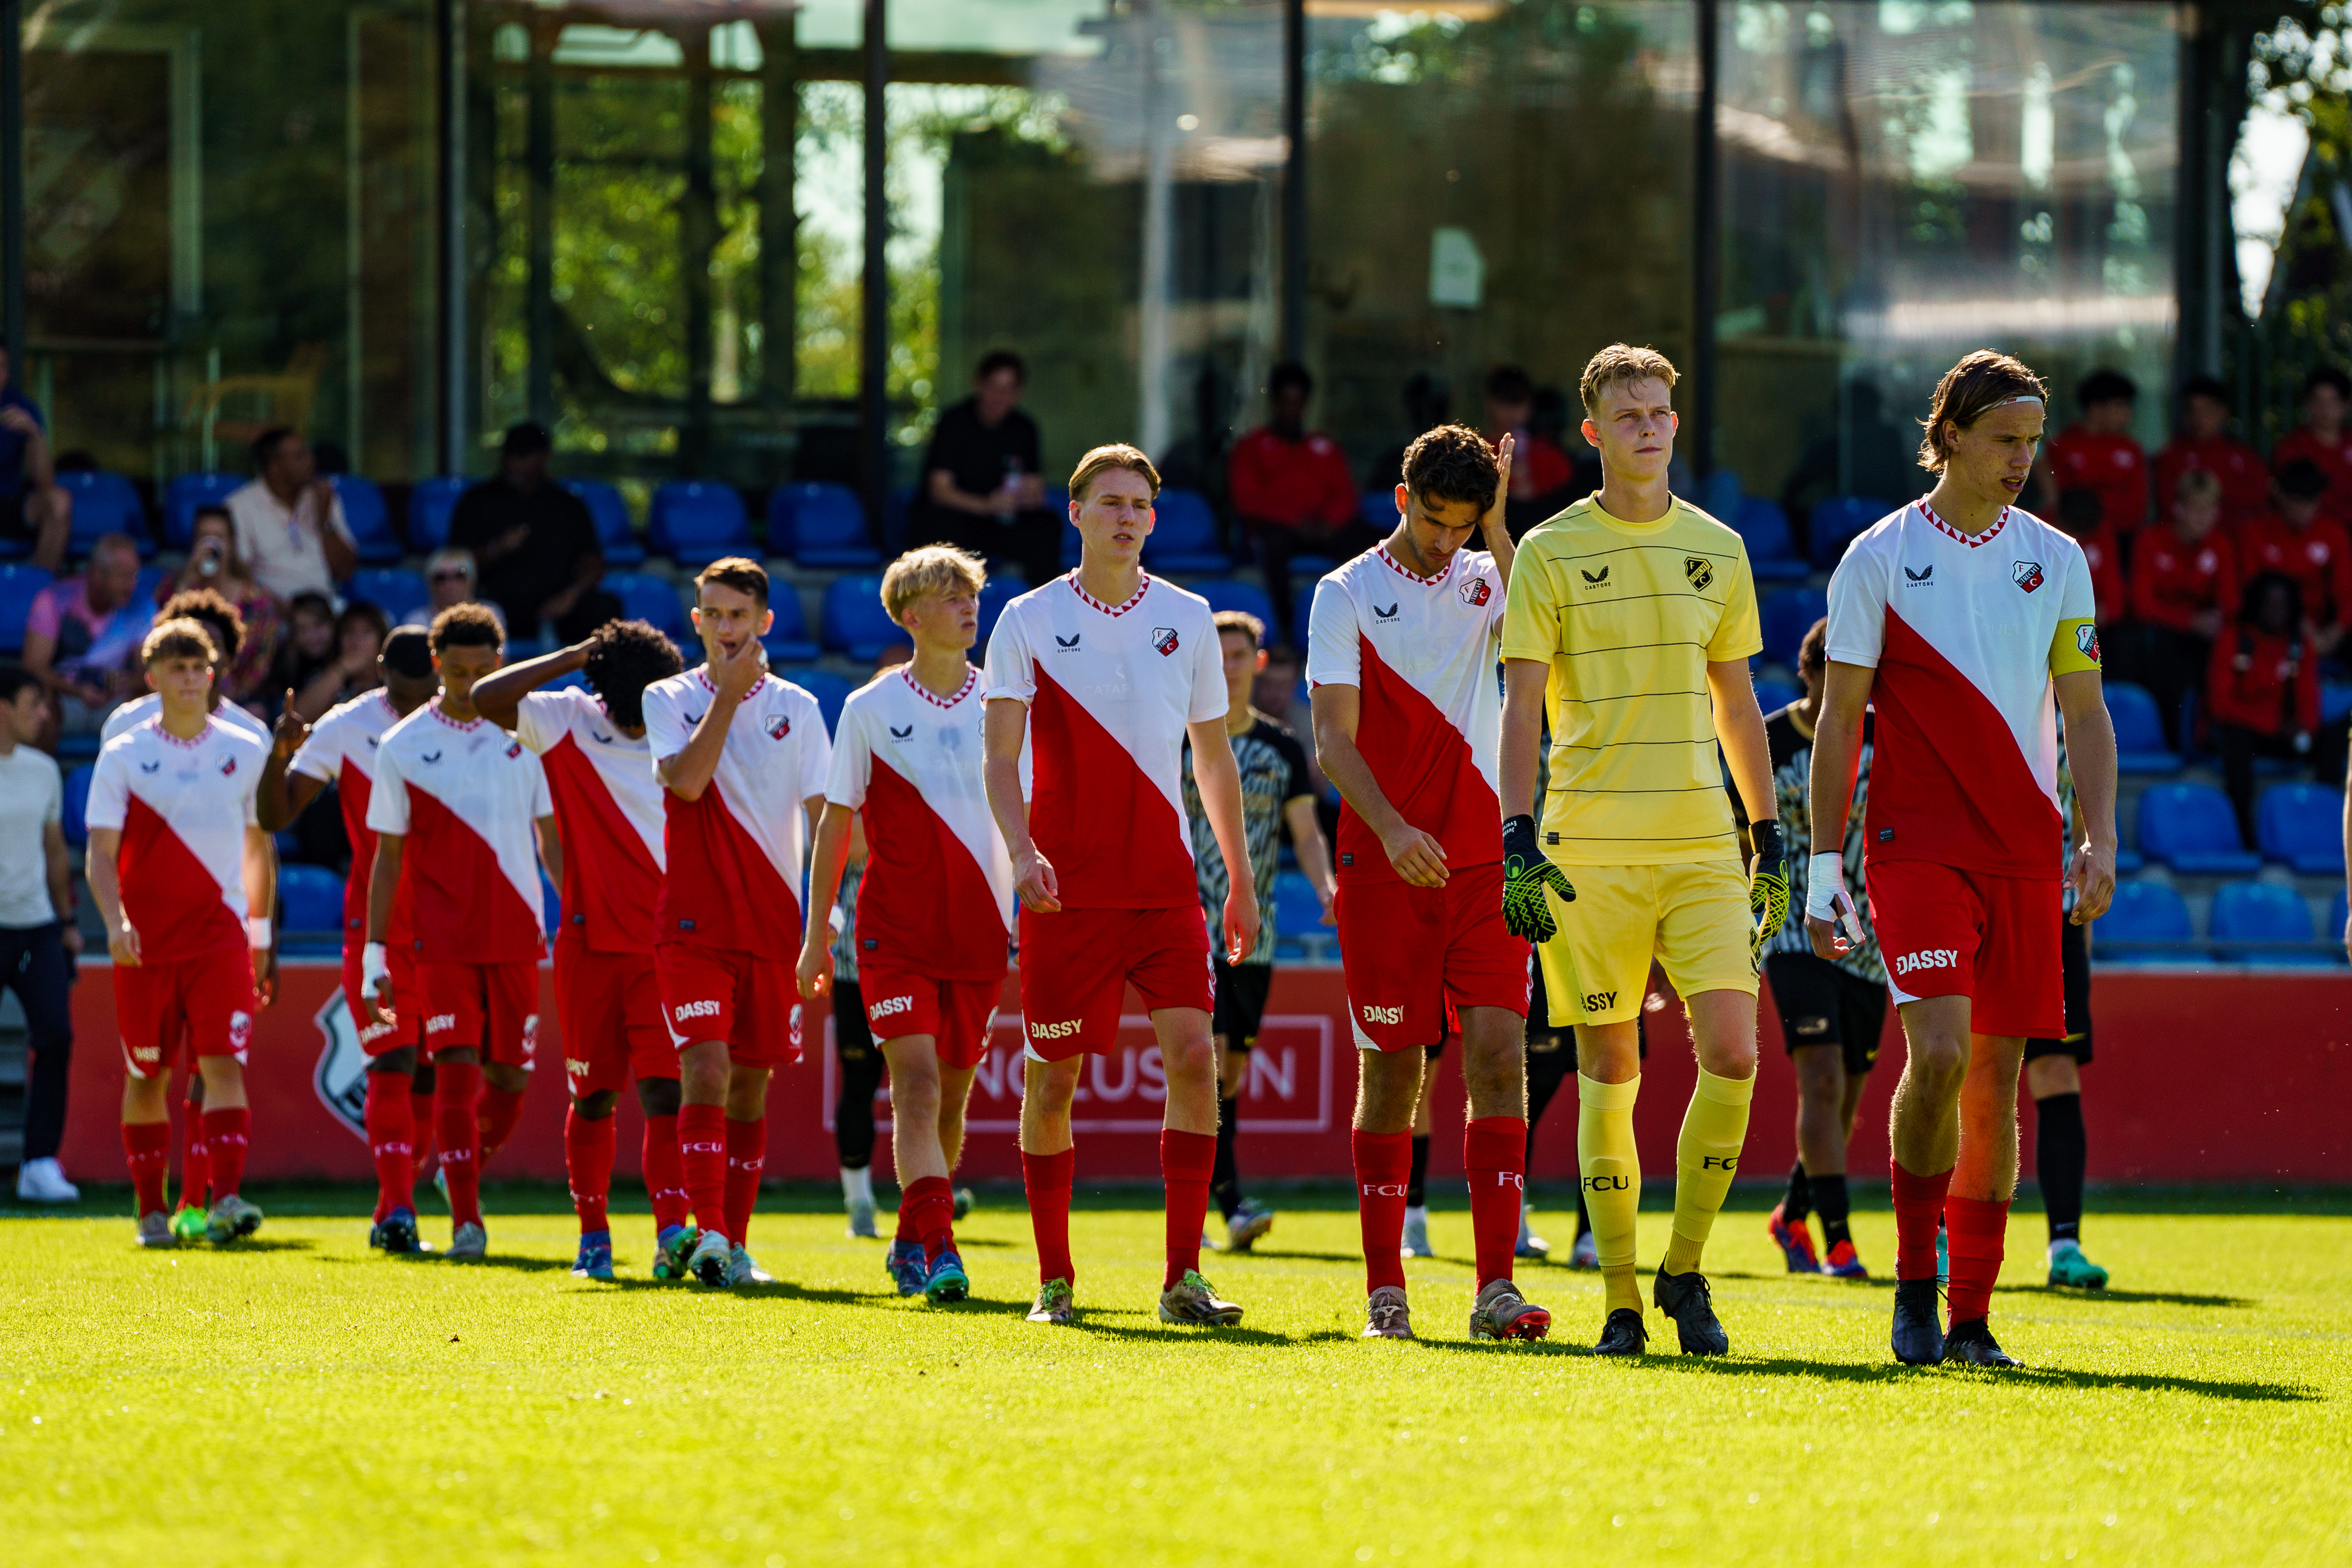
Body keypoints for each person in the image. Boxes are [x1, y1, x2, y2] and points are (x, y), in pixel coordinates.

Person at [1805, 348, 2118, 1369]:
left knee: (1994, 1080)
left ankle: (1974, 1321)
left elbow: (2085, 709)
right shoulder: (1878, 556)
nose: (2023, 459)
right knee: (1936, 1053)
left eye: (2033, 441)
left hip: (2024, 851)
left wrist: (2097, 833)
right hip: (1914, 848)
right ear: (1949, 436)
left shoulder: (2058, 557)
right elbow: (1840, 720)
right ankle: (1912, 1287)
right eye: (2004, 440)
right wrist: (1821, 866)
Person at [1497, 344, 1780, 1359]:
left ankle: (1685, 1269)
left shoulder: (1721, 546)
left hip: (1705, 842)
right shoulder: (1546, 550)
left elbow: (1736, 699)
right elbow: (1521, 703)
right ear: (1594, 432)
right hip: (1588, 851)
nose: (1649, 427)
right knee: (1608, 1066)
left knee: (1736, 1053)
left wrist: (1769, 830)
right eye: (1629, 415)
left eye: (1660, 411)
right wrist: (1516, 835)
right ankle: (1620, 1293)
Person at [980, 444, 1260, 1329]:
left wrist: (1240, 879)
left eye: (1140, 503)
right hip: (1065, 891)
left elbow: (1213, 758)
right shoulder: (1026, 618)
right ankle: (1054, 1280)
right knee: (1051, 1082)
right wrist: (1022, 852)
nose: (1126, 516)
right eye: (1109, 502)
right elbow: (997, 757)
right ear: (1076, 514)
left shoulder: (1188, 616)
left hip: (1165, 889)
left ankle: (1183, 1277)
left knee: (1191, 1059)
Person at [1310, 425, 1547, 1343]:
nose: (1447, 541)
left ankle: (1496, 1288)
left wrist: (1498, 523)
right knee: (1394, 1069)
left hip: (1487, 856)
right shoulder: (1347, 591)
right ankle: (1386, 1291)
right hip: (1384, 861)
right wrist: (1394, 826)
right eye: (1436, 520)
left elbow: (1538, 614)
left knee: (1498, 1056)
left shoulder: (1488, 571)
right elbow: (1334, 738)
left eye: (1466, 524)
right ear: (1401, 497)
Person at [799, 545, 1013, 1304]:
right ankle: (944, 1250)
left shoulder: (1006, 700)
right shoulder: (869, 708)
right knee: (916, 1089)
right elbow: (833, 826)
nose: (968, 607)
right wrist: (816, 925)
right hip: (893, 933)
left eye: (971, 594)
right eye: (950, 596)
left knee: (950, 1100)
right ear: (909, 615)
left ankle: (906, 1240)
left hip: (984, 933)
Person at [472, 618, 693, 1282]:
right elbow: (485, 698)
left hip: (665, 945)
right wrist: (569, 656)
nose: (637, 727)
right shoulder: (565, 718)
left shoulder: (680, 723)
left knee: (665, 1096)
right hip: (589, 946)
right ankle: (593, 1235)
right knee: (593, 1096)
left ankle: (670, 1234)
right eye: (628, 714)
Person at [643, 557, 831, 1288]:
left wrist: (827, 914)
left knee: (750, 1086)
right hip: (692, 923)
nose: (726, 629)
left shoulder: (801, 707)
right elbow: (686, 782)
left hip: (775, 926)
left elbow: (825, 823)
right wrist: (723, 698)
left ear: (764, 623)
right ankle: (712, 1230)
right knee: (706, 1068)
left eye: (738, 616)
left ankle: (736, 1242)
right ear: (696, 621)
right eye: (713, 615)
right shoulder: (668, 697)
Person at [360, 603, 559, 1262]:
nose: (469, 683)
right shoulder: (403, 746)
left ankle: (456, 1169)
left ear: (499, 666)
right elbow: (386, 857)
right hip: (439, 940)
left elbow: (551, 840)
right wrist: (373, 951)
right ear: (437, 665)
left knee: (509, 1082)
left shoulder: (526, 737)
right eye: (457, 671)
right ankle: (467, 1222)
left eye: (483, 671)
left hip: (516, 935)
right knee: (453, 1072)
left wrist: (581, 908)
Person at [85, 618, 277, 1247]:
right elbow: (100, 853)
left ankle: (225, 1200)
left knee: (224, 1064)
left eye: (198, 667)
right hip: (145, 944)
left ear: (213, 674)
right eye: (176, 668)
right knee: (148, 1075)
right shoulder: (123, 752)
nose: (189, 679)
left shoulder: (246, 750)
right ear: (153, 678)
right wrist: (115, 923)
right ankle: (150, 1211)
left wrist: (259, 933)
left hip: (219, 936)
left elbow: (257, 847)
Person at [258, 627, 444, 1253]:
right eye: (404, 691)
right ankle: (398, 1211)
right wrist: (280, 753)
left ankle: (401, 1202)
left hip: (453, 928)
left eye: (428, 692)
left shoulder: (471, 723)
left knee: (428, 1076)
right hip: (379, 925)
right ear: (381, 674)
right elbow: (277, 815)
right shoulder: (345, 727)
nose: (418, 705)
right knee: (390, 1061)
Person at [1184, 608, 1334, 1254]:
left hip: (1257, 932)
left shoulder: (1278, 747)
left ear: (1258, 662)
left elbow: (1304, 829)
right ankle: (1226, 1202)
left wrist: (1325, 885)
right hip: (1190, 926)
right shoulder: (1181, 739)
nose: (1227, 667)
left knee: (1232, 1072)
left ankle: (1221, 1199)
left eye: (1238, 655)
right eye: (1216, 657)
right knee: (1207, 1064)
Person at [1748, 619, 1884, 1280]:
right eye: (1833, 676)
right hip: (1792, 928)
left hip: (1869, 939)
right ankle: (1839, 1242)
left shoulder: (1884, 735)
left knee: (1849, 1096)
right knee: (1822, 1078)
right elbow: (1735, 823)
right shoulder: (1770, 740)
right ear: (1808, 674)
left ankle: (1790, 1214)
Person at [2028, 736, 2110, 1290]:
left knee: (2056, 1073)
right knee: (1961, 1070)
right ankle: (1940, 1238)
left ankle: (2065, 1245)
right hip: (1977, 906)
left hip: (2054, 923)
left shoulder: (2066, 728)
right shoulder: (1974, 687)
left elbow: (2086, 819)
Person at [0, 666, 79, 1203]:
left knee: (57, 1037)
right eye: (34, 702)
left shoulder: (45, 769)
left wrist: (69, 923)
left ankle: (39, 1163)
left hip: (37, 928)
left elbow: (55, 853)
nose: (45, 714)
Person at [1229, 362, 1366, 644]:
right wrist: (1295, 521)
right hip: (1280, 532)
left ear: (1306, 404)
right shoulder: (1252, 446)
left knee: (1368, 541)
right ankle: (1286, 635)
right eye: (1285, 402)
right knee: (1272, 546)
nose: (1291, 410)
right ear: (1274, 402)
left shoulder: (1325, 448)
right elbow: (1246, 499)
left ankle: (1362, 627)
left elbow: (1346, 497)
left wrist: (1329, 523)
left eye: (1298, 402)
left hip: (1324, 531)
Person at [447, 422, 620, 642]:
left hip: (557, 605)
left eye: (523, 456)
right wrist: (496, 549)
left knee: (604, 607)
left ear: (543, 458)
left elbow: (593, 563)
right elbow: (453, 563)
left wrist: (571, 595)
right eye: (510, 455)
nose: (514, 463)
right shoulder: (477, 501)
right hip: (496, 603)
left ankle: (597, 675)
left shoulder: (567, 504)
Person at [916, 349, 1056, 590]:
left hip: (1001, 523)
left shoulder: (1024, 428)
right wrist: (986, 506)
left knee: (1048, 525)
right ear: (979, 385)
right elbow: (939, 490)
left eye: (1008, 390)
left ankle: (1042, 610)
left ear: (1018, 392)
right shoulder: (953, 423)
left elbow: (1035, 490)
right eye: (993, 387)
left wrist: (1024, 497)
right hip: (960, 519)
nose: (1000, 397)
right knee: (933, 522)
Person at [2207, 573, 2320, 844]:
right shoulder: (2234, 639)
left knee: (2337, 737)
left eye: (2283, 605)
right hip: (2246, 733)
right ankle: (2244, 831)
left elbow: (2309, 706)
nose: (2276, 612)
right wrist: (2272, 725)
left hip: (2285, 735)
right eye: (2270, 604)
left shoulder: (2299, 646)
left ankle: (2324, 820)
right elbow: (2220, 705)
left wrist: (2302, 728)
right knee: (2236, 740)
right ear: (2256, 604)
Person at [2128, 468, 2236, 748]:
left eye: (2209, 509)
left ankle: (2212, 736)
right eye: (2195, 509)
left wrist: (2208, 623)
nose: (2203, 518)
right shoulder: (2151, 540)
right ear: (2177, 508)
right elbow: (2142, 605)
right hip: (2163, 639)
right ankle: (2172, 741)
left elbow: (2230, 603)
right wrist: (2189, 621)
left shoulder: (2220, 545)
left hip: (2205, 639)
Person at [101, 589, 271, 747]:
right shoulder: (125, 724)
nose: (203, 656)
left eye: (214, 646)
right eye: (190, 648)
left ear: (230, 659)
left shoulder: (255, 737)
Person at [20, 531, 149, 737]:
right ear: (98, 575)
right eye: (123, 576)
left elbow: (147, 670)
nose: (131, 585)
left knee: (150, 697)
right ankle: (42, 769)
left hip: (117, 702)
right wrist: (78, 691)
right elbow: (34, 666)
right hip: (64, 700)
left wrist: (127, 683)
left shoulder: (142, 606)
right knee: (38, 699)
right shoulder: (53, 600)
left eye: (135, 576)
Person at [161, 505, 284, 706]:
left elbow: (262, 664)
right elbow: (162, 640)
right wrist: (187, 582)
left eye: (219, 537)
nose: (212, 546)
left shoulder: (257, 601)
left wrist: (227, 697)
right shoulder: (172, 588)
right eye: (204, 538)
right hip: (179, 695)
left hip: (239, 703)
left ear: (233, 544)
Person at [227, 427, 357, 601]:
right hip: (271, 612)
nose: (311, 461)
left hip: (325, 607)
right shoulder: (239, 506)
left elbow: (345, 571)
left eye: (309, 454)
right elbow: (239, 574)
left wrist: (325, 519)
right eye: (300, 456)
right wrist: (274, 606)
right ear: (274, 466)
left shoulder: (323, 497)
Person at [2237, 459, 2352, 656]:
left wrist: (2335, 632)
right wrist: (2301, 626)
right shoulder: (2255, 532)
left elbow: (2346, 592)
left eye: (2311, 501)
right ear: (2282, 497)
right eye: (2297, 501)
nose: (2304, 510)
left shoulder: (2333, 533)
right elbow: (2251, 589)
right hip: (2274, 627)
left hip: (2324, 630)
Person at [2154, 376, 2268, 529]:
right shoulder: (2171, 457)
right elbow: (2168, 508)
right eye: (2193, 411)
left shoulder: (2245, 458)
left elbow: (2258, 502)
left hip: (2235, 544)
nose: (2199, 419)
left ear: (2223, 412)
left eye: (2207, 411)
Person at [2046, 369, 2151, 536]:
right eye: (2120, 406)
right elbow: (2064, 506)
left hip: (2124, 539)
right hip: (2075, 538)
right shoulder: (2062, 446)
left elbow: (2137, 508)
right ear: (2095, 408)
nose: (2127, 414)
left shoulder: (2131, 449)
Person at [1481, 366, 1576, 537]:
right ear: (1489, 403)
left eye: (1518, 401)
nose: (1512, 410)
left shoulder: (1550, 453)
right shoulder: (1478, 450)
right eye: (1504, 401)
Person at [0, 342, 71, 571]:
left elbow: (45, 482)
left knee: (59, 502)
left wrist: (34, 434)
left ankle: (40, 595)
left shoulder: (19, 407)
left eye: (2, 367)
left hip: (8, 503)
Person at [2270, 366, 2352, 528]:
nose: (2325, 410)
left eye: (2333, 402)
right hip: (2309, 535)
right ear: (2307, 403)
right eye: (2318, 401)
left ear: (2346, 405)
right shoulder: (2292, 447)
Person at [288, 601, 390, 724]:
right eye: (349, 632)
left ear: (382, 641)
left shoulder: (393, 681)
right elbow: (296, 718)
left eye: (366, 632)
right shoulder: (323, 676)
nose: (356, 641)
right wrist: (341, 669)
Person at [2055, 489, 2126, 626]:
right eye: (2072, 530)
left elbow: (2114, 604)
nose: (2076, 539)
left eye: (2081, 533)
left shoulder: (2103, 537)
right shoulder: (2038, 531)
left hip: (2087, 621)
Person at [399, 548, 507, 634]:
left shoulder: (490, 614)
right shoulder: (416, 623)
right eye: (441, 577)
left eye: (459, 576)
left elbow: (500, 660)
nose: (450, 584)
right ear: (430, 584)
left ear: (472, 580)